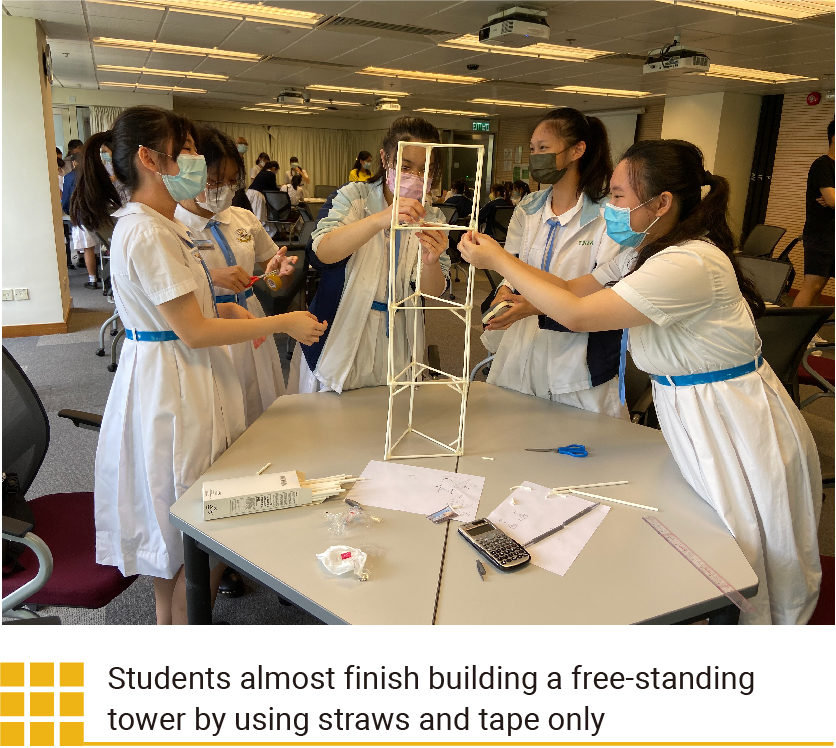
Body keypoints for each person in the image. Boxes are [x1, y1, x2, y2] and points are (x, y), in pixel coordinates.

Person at [460, 138, 822, 625]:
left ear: (662, 202)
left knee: (747, 548)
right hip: (694, 412)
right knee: (719, 537)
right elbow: (570, 287)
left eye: (617, 196)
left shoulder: (687, 262)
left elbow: (580, 314)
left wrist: (499, 261)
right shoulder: (649, 252)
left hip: (733, 419)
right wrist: (512, 272)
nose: (609, 207)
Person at [71, 105, 326, 625]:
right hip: (177, 382)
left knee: (178, 543)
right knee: (195, 534)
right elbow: (192, 331)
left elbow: (185, 312)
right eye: (186, 151)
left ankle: (173, 630)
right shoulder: (149, 232)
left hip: (174, 371)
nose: (196, 163)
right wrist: (280, 324)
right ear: (149, 158)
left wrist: (223, 304)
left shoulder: (157, 226)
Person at [288, 115, 451, 394]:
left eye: (426, 170)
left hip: (399, 337)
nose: (416, 177)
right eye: (406, 166)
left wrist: (431, 261)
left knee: (390, 423)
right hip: (339, 329)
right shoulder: (354, 197)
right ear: (385, 159)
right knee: (330, 425)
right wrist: (378, 220)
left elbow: (432, 292)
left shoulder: (432, 215)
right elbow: (321, 253)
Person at [481, 108, 624, 418]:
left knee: (578, 448)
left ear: (577, 150)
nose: (535, 157)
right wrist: (505, 292)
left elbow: (608, 291)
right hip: (521, 344)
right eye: (532, 149)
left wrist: (535, 305)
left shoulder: (608, 215)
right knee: (509, 432)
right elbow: (513, 265)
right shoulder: (528, 208)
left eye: (543, 148)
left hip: (578, 359)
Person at [175, 125, 294, 427]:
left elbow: (271, 271)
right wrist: (211, 276)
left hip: (249, 315)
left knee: (257, 395)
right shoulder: (171, 225)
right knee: (216, 409)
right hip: (204, 320)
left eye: (231, 182)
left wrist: (277, 271)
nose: (223, 190)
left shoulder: (243, 217)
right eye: (214, 181)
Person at [794, 119, 834, 307]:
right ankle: (794, 334)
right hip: (821, 235)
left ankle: (811, 332)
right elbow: (833, 200)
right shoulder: (822, 165)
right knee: (813, 285)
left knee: (821, 285)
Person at [65, 145, 102, 288]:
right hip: (97, 214)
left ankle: (93, 279)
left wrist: (68, 212)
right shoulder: (94, 175)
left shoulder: (70, 177)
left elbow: (67, 199)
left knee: (88, 248)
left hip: (81, 215)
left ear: (74, 163)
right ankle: (103, 276)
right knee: (100, 246)